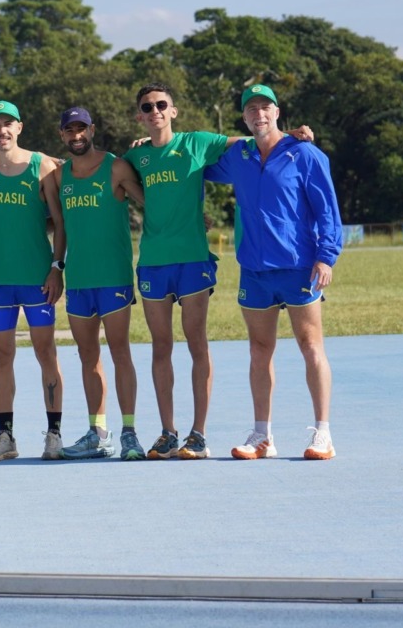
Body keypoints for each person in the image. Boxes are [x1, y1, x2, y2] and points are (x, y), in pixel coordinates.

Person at [124, 83, 313, 461]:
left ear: (173, 111)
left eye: (162, 104)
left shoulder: (197, 142)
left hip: (193, 258)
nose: (156, 110)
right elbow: (122, 184)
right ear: (140, 116)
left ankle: (198, 435)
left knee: (197, 343)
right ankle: (167, 432)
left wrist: (287, 135)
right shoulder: (135, 157)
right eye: (149, 107)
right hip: (152, 261)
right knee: (160, 347)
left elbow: (247, 139)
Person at [205, 84, 342, 460]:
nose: (258, 114)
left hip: (300, 268)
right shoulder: (240, 156)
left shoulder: (305, 154)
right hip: (254, 270)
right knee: (259, 350)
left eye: (265, 108)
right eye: (251, 110)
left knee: (310, 345)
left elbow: (327, 210)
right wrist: (150, 148)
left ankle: (323, 434)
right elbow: (192, 164)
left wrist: (326, 256)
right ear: (244, 118)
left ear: (277, 112)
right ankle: (262, 435)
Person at [0, 101, 67, 462]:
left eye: (8, 124)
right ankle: (6, 436)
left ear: (20, 127)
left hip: (37, 279)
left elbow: (60, 221)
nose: (1, 130)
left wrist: (57, 267)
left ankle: (54, 434)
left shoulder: (43, 167)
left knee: (46, 353)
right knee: (2, 355)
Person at [53, 108, 147, 462]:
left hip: (113, 279)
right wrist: (55, 267)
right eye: (69, 130)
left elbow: (153, 203)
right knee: (87, 356)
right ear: (62, 135)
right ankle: (98, 433)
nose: (76, 135)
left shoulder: (117, 167)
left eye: (81, 129)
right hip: (78, 279)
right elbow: (58, 227)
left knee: (120, 352)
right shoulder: (58, 175)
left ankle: (130, 434)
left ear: (92, 130)